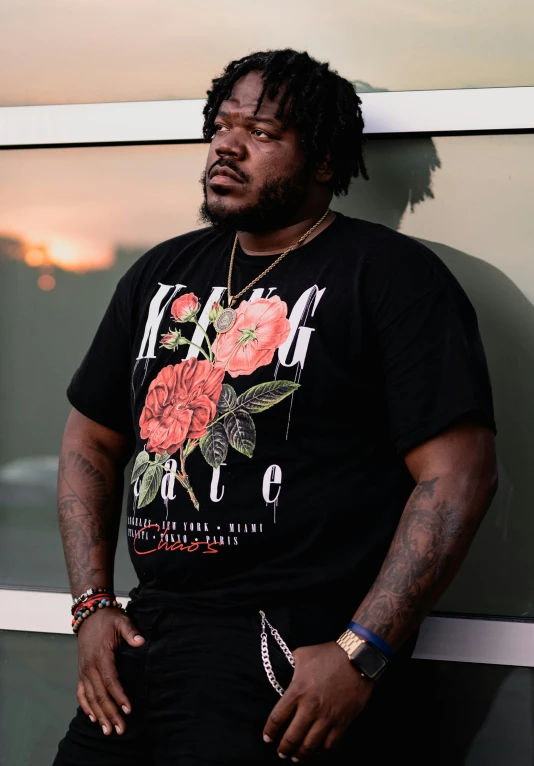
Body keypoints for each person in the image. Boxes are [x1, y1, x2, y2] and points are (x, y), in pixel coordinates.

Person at [53, 49, 497, 765]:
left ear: (323, 161)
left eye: (262, 133)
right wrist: (89, 606)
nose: (228, 145)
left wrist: (363, 651)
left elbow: (459, 476)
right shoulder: (161, 273)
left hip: (283, 655)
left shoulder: (389, 276)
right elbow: (89, 440)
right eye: (222, 126)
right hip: (145, 639)